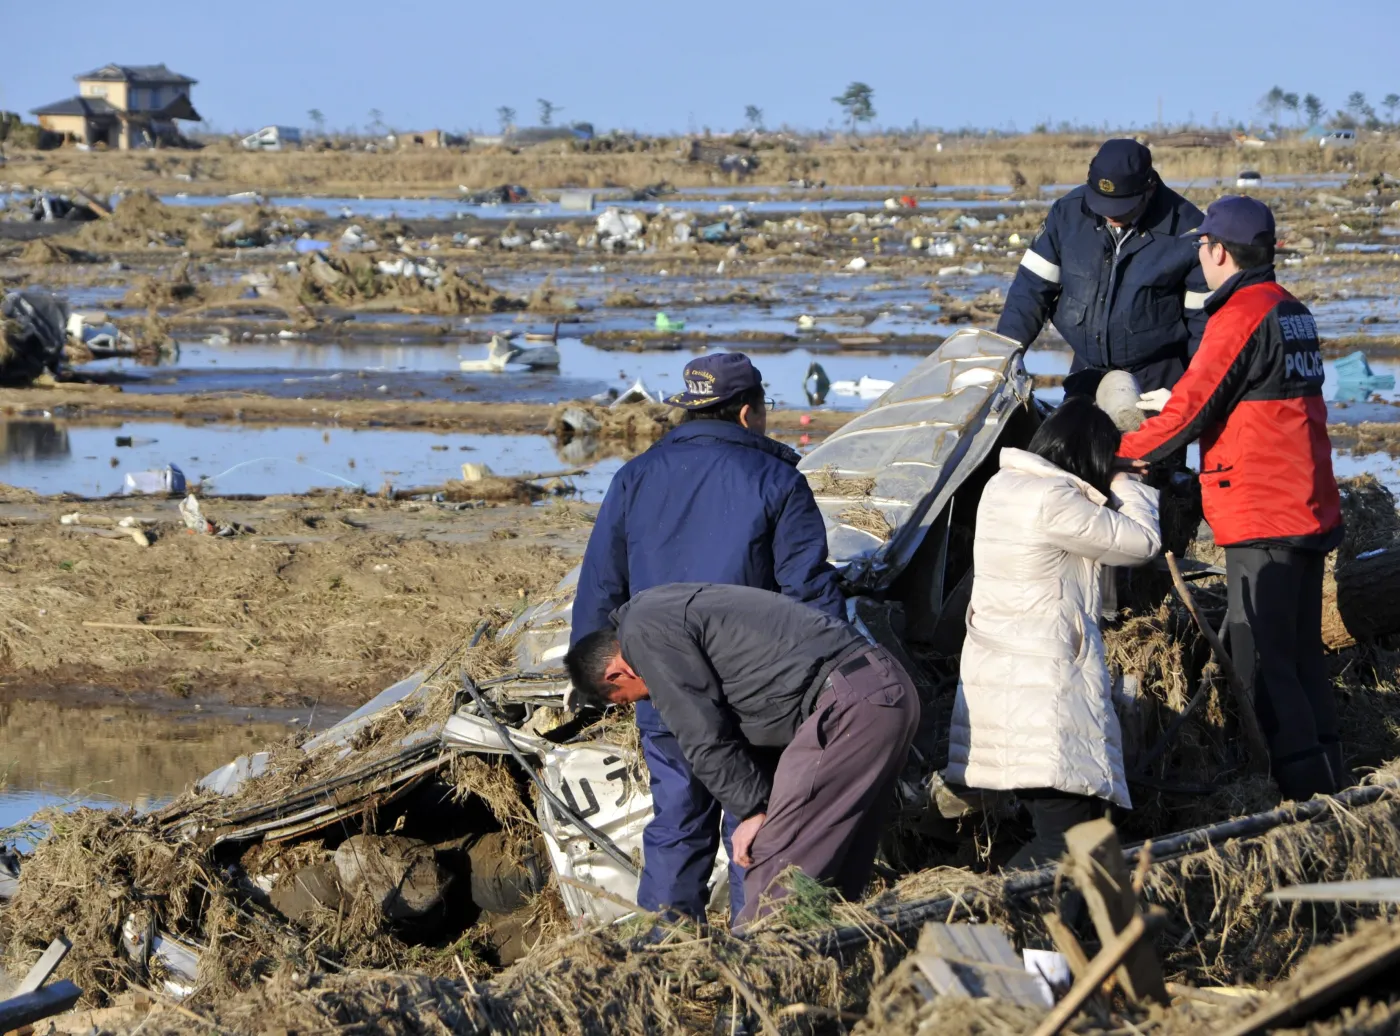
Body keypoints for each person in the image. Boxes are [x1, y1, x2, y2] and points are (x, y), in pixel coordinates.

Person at [570, 352, 844, 922]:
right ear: (748, 414)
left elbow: (600, 582)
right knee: (759, 822)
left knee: (675, 821)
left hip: (661, 685)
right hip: (754, 698)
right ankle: (756, 958)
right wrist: (838, 680)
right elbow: (810, 594)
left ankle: (667, 960)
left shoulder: (635, 477)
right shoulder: (778, 480)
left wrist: (593, 680)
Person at [1117, 196, 1344, 800]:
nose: (1199, 254)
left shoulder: (1242, 314)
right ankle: (1336, 782)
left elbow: (1195, 403)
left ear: (1219, 251)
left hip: (1264, 510)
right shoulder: (1290, 309)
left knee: (1264, 658)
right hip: (1305, 501)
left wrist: (1119, 453)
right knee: (1300, 652)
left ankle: (1296, 798)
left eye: (1201, 246)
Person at [564, 583, 919, 924]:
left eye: (635, 697)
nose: (651, 700)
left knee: (773, 868)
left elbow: (700, 731)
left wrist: (752, 810)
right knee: (835, 873)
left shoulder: (643, 632)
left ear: (616, 673)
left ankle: (757, 976)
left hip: (848, 705)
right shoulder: (665, 608)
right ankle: (833, 972)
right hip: (882, 691)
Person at [946, 397, 1162, 867]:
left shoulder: (1006, 486)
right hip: (1043, 698)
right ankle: (1004, 923)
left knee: (1080, 831)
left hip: (1011, 688)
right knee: (1062, 845)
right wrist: (1128, 484)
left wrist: (1102, 467)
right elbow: (1140, 543)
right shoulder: (1051, 501)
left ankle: (1063, 937)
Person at [997, 139, 1210, 394]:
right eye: (1103, 204)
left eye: (1121, 207)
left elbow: (1205, 327)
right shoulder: (1068, 215)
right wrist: (1007, 352)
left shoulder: (1188, 232)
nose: (1111, 215)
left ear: (1149, 188)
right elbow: (1030, 289)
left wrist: (1192, 393)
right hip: (1087, 372)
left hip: (1157, 380)